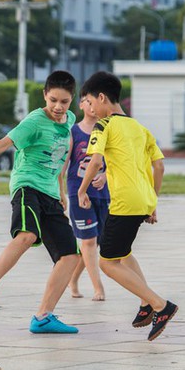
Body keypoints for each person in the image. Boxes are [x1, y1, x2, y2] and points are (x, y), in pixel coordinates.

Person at [0, 70, 82, 334]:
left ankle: (43, 317)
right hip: (27, 186)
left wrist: (61, 190)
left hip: (50, 193)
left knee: (70, 255)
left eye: (64, 101)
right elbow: (3, 143)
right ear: (45, 95)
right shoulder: (34, 120)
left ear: (72, 101)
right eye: (53, 100)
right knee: (27, 234)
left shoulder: (70, 120)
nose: (58, 107)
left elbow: (60, 157)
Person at [77, 71, 177, 342]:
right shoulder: (140, 128)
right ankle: (146, 304)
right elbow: (159, 167)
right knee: (124, 253)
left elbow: (96, 162)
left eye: (89, 102)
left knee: (108, 263)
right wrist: (152, 201)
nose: (90, 109)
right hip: (142, 199)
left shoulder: (103, 126)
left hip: (123, 202)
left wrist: (82, 189)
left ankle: (159, 305)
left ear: (101, 98)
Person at [65, 95, 109, 302]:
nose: (92, 106)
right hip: (78, 191)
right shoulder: (73, 131)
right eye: (87, 102)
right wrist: (60, 193)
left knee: (94, 241)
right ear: (81, 105)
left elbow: (116, 162)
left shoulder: (107, 129)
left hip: (103, 192)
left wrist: (105, 175)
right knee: (88, 240)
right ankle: (98, 288)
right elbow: (63, 166)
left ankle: (72, 279)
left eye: (94, 102)